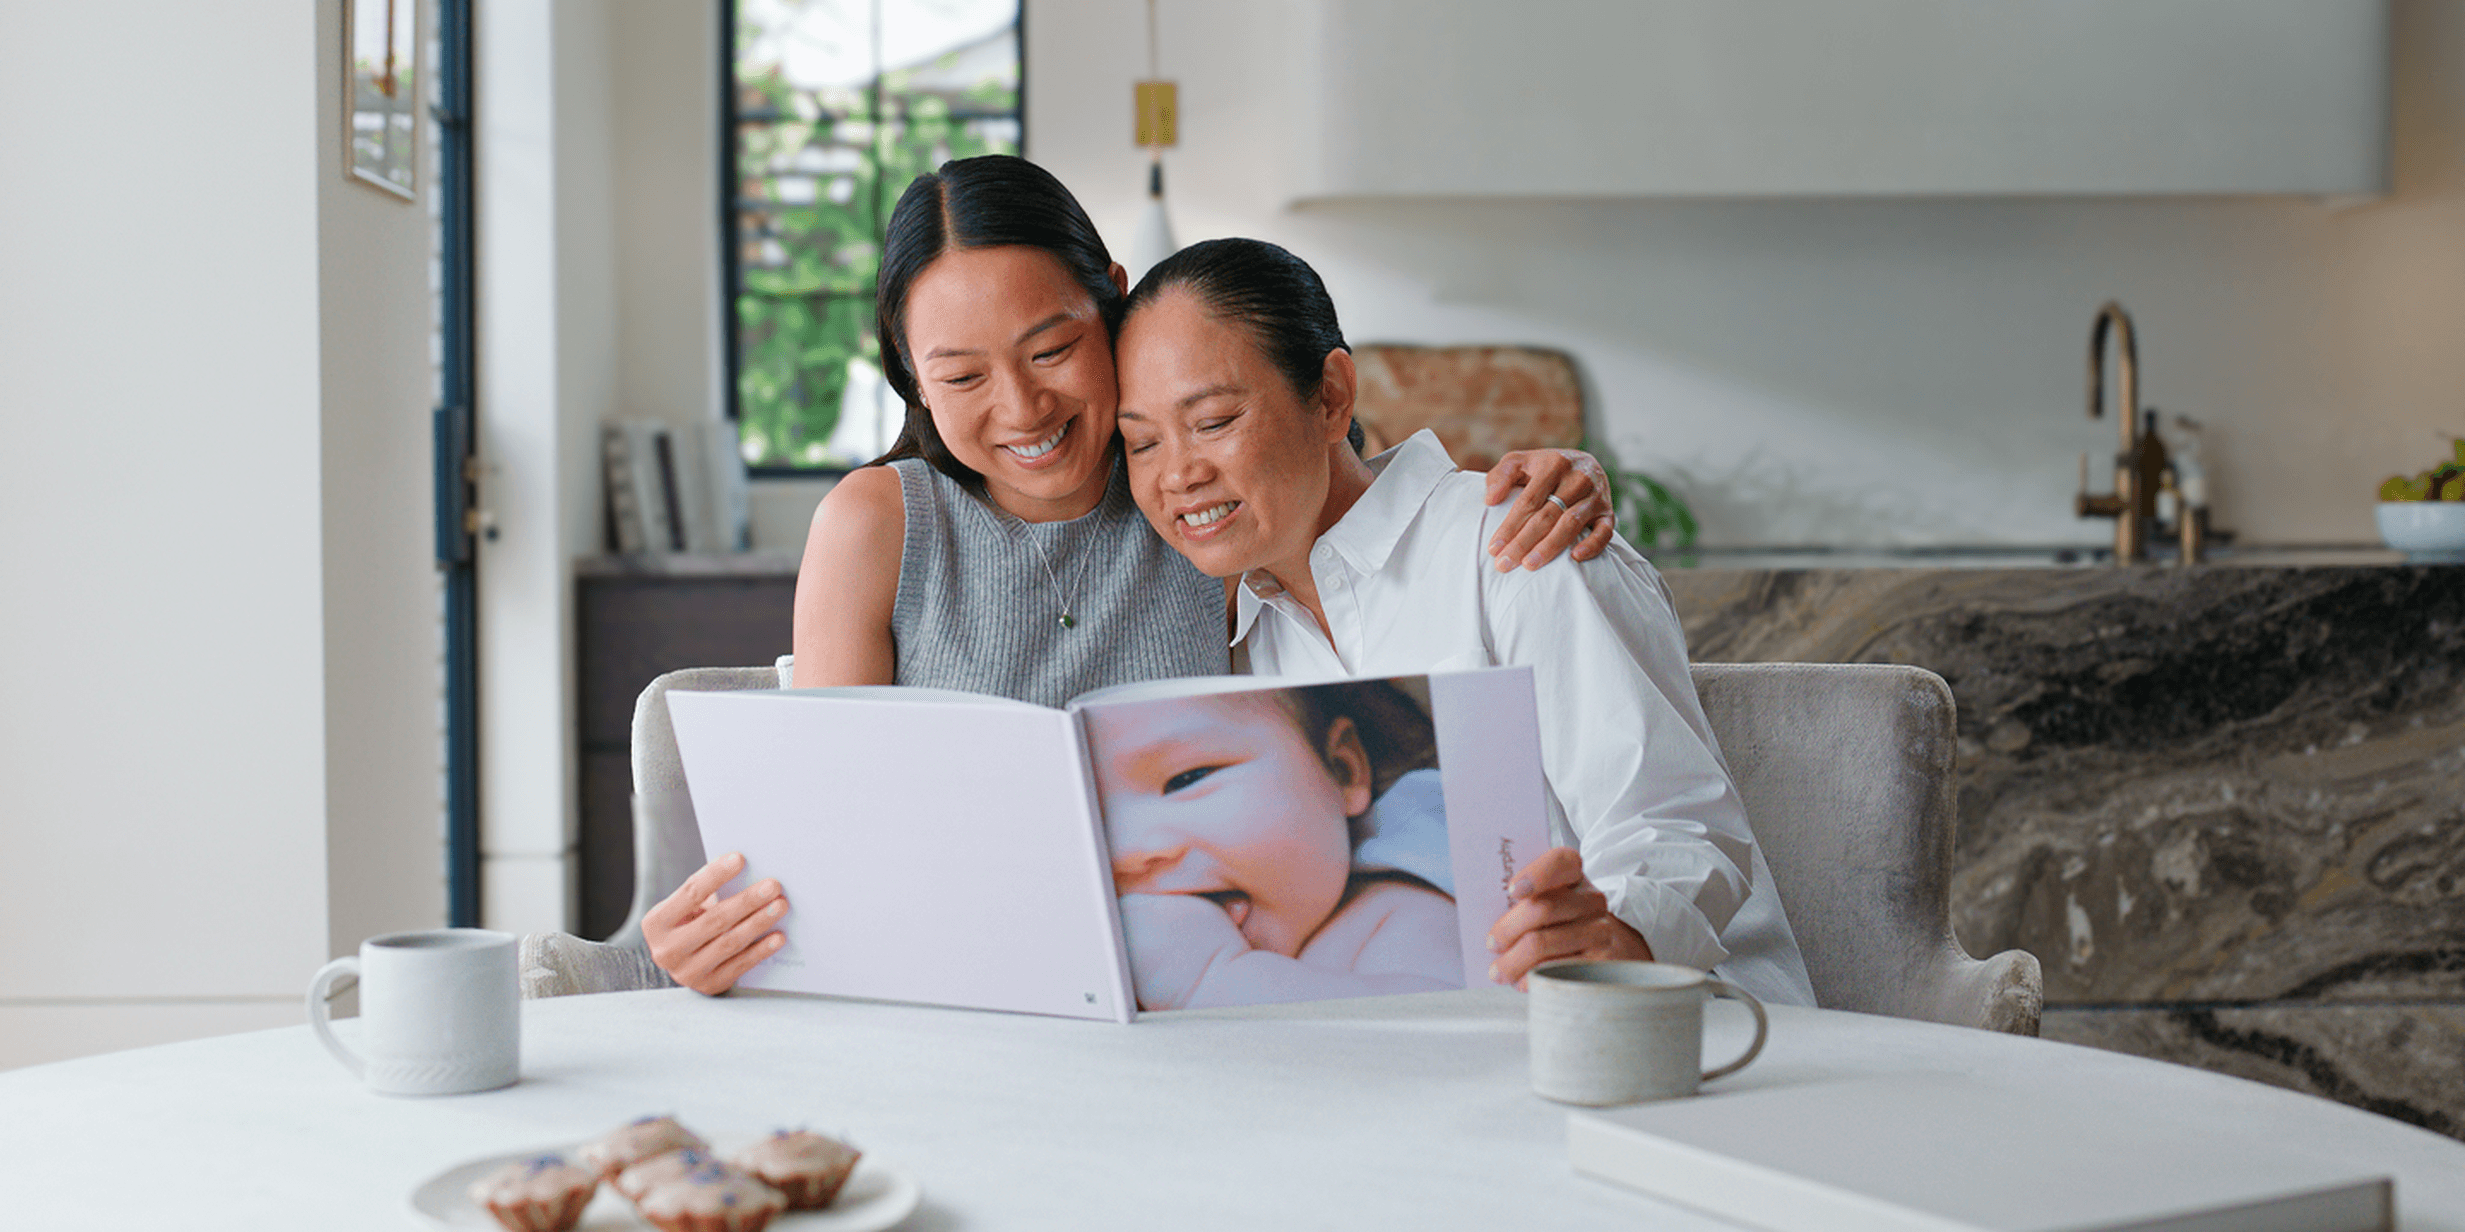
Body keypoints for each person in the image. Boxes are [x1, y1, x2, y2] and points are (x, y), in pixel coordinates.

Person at [645, 155, 1616, 996]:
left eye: (1053, 347)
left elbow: (1354, 510)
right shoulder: (876, 523)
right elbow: (824, 823)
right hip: (970, 978)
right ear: (909, 375)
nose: (1021, 406)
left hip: (1211, 987)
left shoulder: (1195, 504)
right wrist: (718, 935)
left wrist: (1544, 476)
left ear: (1110, 297)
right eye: (962, 376)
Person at [1110, 237, 1817, 1007]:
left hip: (1670, 1027)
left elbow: (1674, 822)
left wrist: (1616, 934)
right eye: (1142, 441)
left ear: (1331, 396)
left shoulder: (1521, 541)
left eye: (1212, 421)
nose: (1176, 474)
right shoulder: (1246, 636)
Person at [1086, 680, 1459, 1010]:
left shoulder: (1397, 914)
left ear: (1343, 769)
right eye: (1093, 818)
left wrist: (1212, 983)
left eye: (1188, 778)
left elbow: (1451, 1042)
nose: (1125, 855)